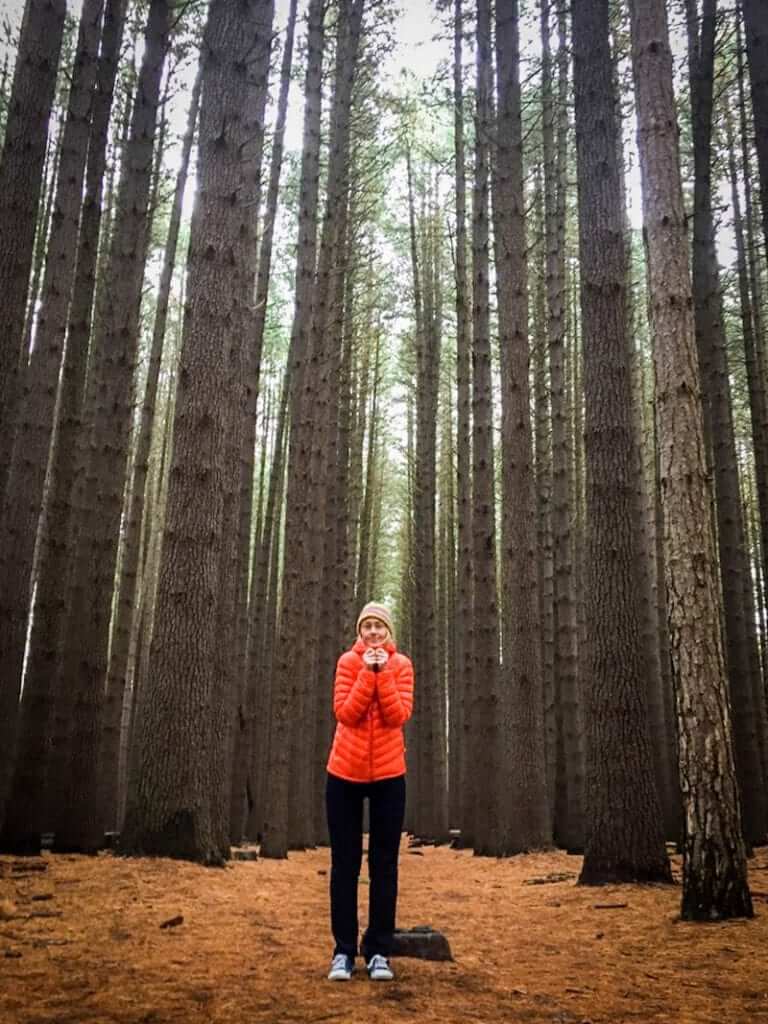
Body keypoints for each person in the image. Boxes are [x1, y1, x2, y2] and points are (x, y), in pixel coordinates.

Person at [325, 601, 414, 982]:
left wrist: (383, 675)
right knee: (345, 865)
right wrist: (367, 673)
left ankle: (379, 950)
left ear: (388, 632)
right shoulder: (348, 662)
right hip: (343, 774)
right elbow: (345, 712)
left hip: (390, 777)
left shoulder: (403, 665)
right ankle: (343, 951)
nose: (374, 632)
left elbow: (398, 716)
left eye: (380, 626)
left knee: (384, 865)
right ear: (359, 632)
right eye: (368, 627)